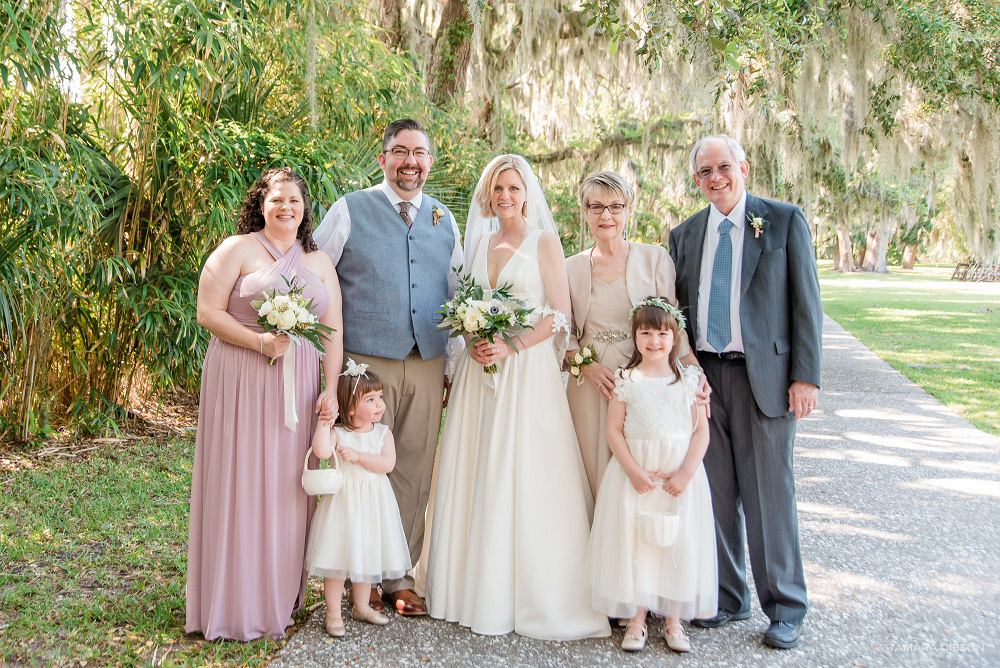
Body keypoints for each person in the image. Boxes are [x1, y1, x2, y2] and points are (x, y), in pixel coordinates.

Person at [424, 154, 610, 640]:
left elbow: (559, 315)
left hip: (525, 374)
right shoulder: (480, 240)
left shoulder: (544, 242)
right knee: (475, 467)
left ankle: (529, 592)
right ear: (487, 195)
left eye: (513, 187)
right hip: (479, 372)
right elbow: (466, 304)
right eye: (496, 188)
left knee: (522, 471)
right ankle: (469, 586)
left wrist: (510, 344)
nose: (504, 196)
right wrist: (473, 339)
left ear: (527, 193)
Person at [669, 134, 822, 650]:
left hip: (766, 380)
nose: (716, 178)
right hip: (705, 380)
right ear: (696, 180)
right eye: (704, 172)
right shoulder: (685, 235)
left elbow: (806, 304)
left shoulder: (782, 221)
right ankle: (728, 598)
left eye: (724, 167)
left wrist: (806, 376)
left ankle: (785, 606)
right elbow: (679, 314)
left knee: (769, 495)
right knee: (715, 493)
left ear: (744, 167)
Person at [186, 167, 344, 641]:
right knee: (237, 478)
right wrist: (258, 344)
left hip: (297, 387)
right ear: (261, 203)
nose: (286, 208)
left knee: (285, 488)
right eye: (277, 199)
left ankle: (279, 598)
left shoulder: (318, 262)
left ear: (304, 208)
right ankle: (233, 602)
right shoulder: (236, 249)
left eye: (295, 201)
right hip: (239, 378)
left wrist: (330, 388)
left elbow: (332, 330)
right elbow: (207, 312)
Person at [313, 119, 461, 616]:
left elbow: (457, 294)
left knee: (413, 468)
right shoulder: (349, 209)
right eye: (399, 152)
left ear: (430, 161)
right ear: (382, 160)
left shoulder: (445, 218)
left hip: (427, 360)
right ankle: (360, 575)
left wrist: (452, 366)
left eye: (419, 153)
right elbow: (315, 274)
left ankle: (399, 575)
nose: (410, 162)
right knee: (359, 467)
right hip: (364, 362)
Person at [587, 298, 716, 654]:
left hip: (678, 476)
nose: (654, 341)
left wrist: (686, 473)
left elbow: (701, 432)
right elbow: (614, 430)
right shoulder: (626, 380)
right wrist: (633, 470)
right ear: (635, 336)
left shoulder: (690, 380)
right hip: (637, 473)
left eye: (662, 333)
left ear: (675, 338)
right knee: (638, 542)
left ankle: (674, 621)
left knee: (678, 541)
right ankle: (637, 618)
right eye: (645, 333)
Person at [565, 170, 701, 509]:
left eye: (615, 206)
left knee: (644, 468)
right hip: (591, 385)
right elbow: (563, 334)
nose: (606, 215)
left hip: (645, 383)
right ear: (585, 212)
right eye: (596, 207)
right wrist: (586, 367)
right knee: (593, 470)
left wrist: (695, 375)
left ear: (628, 210)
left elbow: (672, 326)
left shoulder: (654, 259)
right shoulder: (570, 268)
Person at [304, 361, 411, 638]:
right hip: (344, 504)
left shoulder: (382, 433)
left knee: (367, 554)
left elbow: (387, 464)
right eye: (371, 399)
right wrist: (324, 423)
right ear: (351, 408)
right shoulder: (339, 433)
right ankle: (333, 612)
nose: (380, 404)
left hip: (374, 504)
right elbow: (321, 451)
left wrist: (359, 456)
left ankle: (362, 606)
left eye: (380, 398)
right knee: (338, 557)